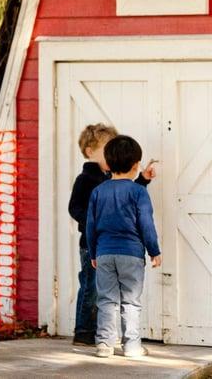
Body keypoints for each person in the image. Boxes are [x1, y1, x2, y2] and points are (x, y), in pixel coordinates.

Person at [68, 124, 155, 346]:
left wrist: (143, 180)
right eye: (107, 149)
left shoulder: (109, 178)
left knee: (102, 291)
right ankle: (84, 331)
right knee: (90, 287)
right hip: (91, 244)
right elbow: (74, 208)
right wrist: (94, 221)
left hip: (107, 246)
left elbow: (125, 192)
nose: (111, 154)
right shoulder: (86, 180)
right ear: (90, 152)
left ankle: (102, 334)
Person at [86, 135, 162, 358]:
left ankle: (104, 344)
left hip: (105, 253)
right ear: (136, 165)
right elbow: (146, 223)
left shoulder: (98, 192)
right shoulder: (139, 192)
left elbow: (91, 225)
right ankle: (131, 346)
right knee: (130, 301)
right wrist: (154, 251)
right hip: (131, 255)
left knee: (106, 299)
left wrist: (93, 252)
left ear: (108, 165)